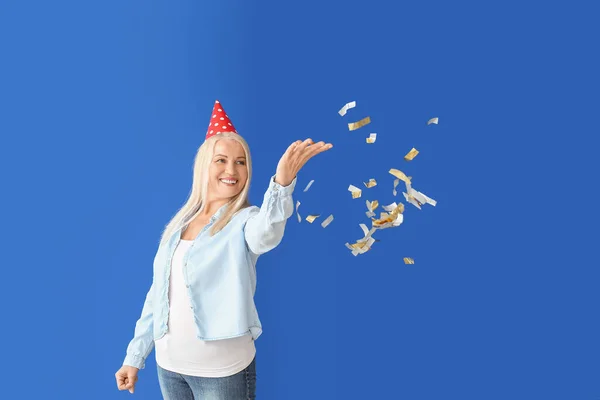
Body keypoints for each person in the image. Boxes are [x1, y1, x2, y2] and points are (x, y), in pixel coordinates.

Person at [115, 100, 332, 399]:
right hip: (169, 368)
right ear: (204, 165)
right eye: (221, 160)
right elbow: (158, 296)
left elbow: (266, 234)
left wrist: (282, 183)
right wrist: (134, 357)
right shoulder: (179, 225)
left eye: (240, 161)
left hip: (222, 371)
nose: (232, 169)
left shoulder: (246, 220)